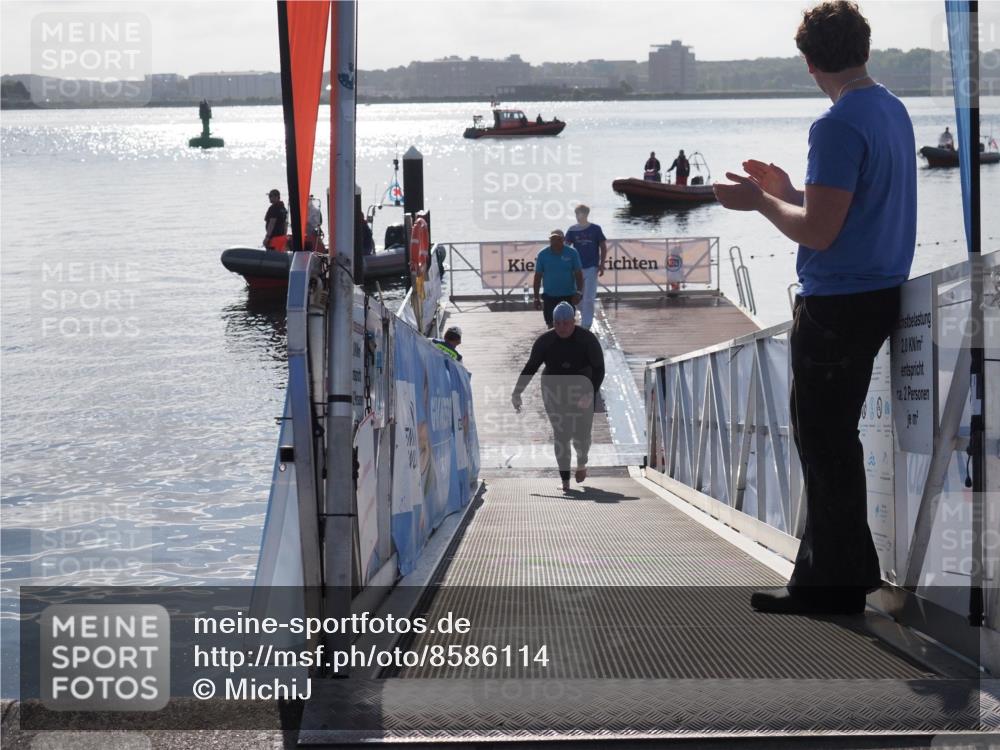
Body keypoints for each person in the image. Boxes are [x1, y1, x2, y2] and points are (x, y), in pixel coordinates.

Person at [713, 0, 915, 615]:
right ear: (866, 47)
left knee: (823, 441)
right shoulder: (891, 109)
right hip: (880, 291)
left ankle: (830, 587)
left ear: (808, 63)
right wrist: (787, 191)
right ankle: (847, 574)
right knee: (833, 439)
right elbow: (844, 209)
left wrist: (757, 203)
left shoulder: (835, 124)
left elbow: (819, 234)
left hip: (837, 304)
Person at [511, 302, 604, 492]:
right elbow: (531, 367)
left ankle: (582, 462)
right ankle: (565, 481)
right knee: (561, 434)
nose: (561, 328)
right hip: (554, 387)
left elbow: (599, 369)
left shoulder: (587, 340)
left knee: (582, 433)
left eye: (566, 323)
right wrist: (517, 392)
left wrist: (590, 393)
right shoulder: (545, 341)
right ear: (553, 322)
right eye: (557, 323)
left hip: (582, 385)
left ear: (574, 321)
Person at [565, 204, 608, 330]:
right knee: (578, 297)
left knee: (589, 297)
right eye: (576, 214)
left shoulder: (595, 229)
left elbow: (603, 246)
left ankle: (586, 325)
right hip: (577, 269)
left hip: (591, 267)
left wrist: (602, 264)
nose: (578, 216)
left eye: (580, 214)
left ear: (586, 214)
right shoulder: (572, 230)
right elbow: (566, 247)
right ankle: (584, 315)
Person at [532, 229, 583, 328]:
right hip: (549, 296)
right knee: (551, 326)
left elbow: (578, 274)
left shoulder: (572, 253)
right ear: (550, 240)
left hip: (568, 296)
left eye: (558, 239)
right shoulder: (542, 254)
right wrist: (536, 297)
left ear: (563, 240)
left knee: (568, 325)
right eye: (553, 239)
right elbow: (537, 277)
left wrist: (579, 292)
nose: (555, 242)